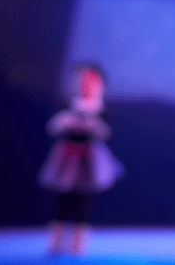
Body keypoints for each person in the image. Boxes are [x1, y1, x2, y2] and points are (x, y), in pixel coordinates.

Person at [38, 64, 124, 255]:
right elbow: (54, 126)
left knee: (83, 201)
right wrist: (67, 121)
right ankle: (56, 240)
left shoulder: (98, 108)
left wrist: (92, 125)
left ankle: (78, 242)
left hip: (88, 161)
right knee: (62, 199)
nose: (86, 85)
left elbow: (105, 132)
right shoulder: (70, 104)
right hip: (67, 157)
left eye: (91, 82)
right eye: (83, 81)